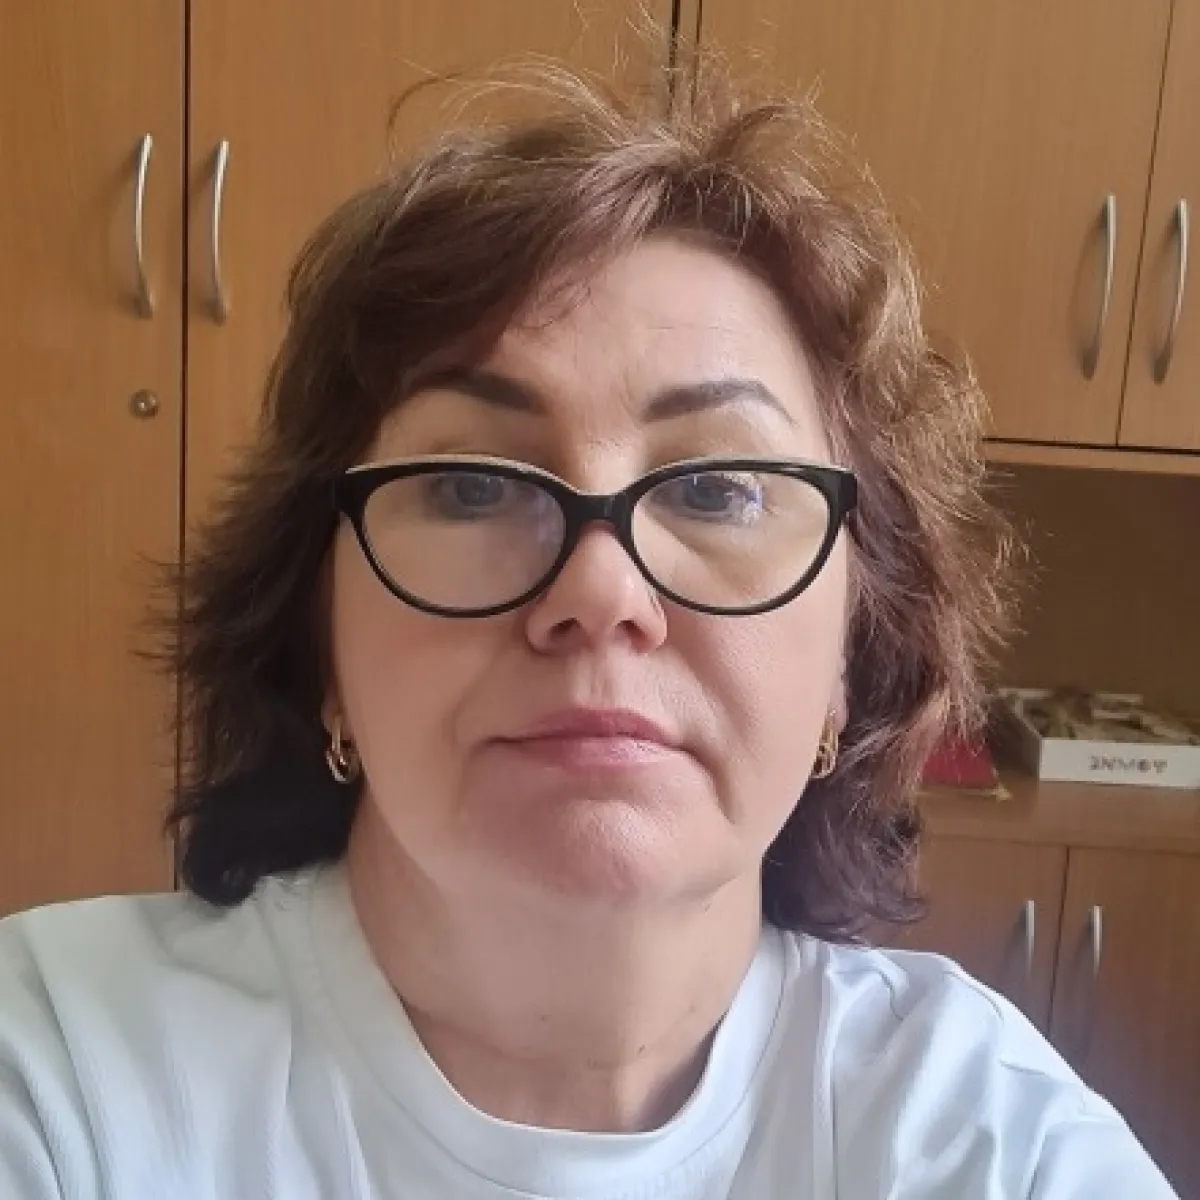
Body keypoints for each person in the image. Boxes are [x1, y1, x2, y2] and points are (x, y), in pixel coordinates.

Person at [0, 56, 1177, 1200]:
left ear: (847, 663)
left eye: (718, 488)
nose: (602, 591)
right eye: (472, 486)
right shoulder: (58, 1074)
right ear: (323, 645)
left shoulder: (994, 1141)